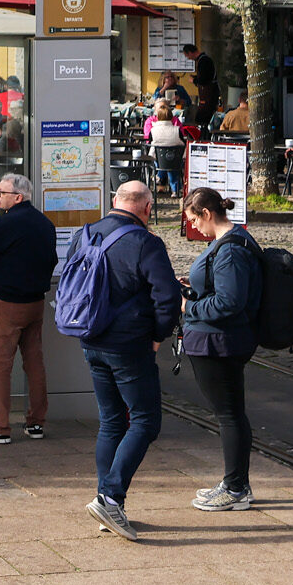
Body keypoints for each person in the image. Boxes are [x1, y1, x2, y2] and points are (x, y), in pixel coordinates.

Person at [75, 181, 183, 542]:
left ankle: (106, 501)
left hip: (91, 339)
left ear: (114, 202)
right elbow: (167, 299)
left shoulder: (87, 233)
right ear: (148, 209)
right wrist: (157, 337)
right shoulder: (146, 243)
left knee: (110, 420)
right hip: (129, 346)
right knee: (146, 420)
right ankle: (110, 497)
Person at [179, 188, 263, 511]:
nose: (194, 228)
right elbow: (222, 289)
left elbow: (229, 301)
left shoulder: (230, 250)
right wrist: (195, 287)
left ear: (207, 214)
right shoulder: (230, 243)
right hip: (221, 339)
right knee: (231, 413)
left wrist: (189, 307)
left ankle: (235, 488)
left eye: (193, 220)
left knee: (228, 415)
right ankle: (235, 481)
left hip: (220, 342)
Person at [0, 172, 58, 445]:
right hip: (36, 302)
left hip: (9, 303)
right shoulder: (43, 223)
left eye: (1, 193)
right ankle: (36, 422)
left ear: (17, 197)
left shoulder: (9, 222)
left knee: (0, 364)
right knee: (34, 361)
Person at [148, 103, 185, 199]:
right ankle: (175, 190)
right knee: (173, 167)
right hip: (175, 160)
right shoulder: (177, 130)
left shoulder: (153, 130)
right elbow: (183, 142)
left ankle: (159, 175)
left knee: (160, 159)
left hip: (160, 161)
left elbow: (149, 142)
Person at [183, 43, 220, 127]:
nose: (188, 58)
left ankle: (203, 137)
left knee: (201, 119)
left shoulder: (203, 61)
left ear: (190, 52)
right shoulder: (204, 60)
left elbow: (204, 79)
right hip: (209, 95)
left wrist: (194, 80)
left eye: (187, 56)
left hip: (208, 96)